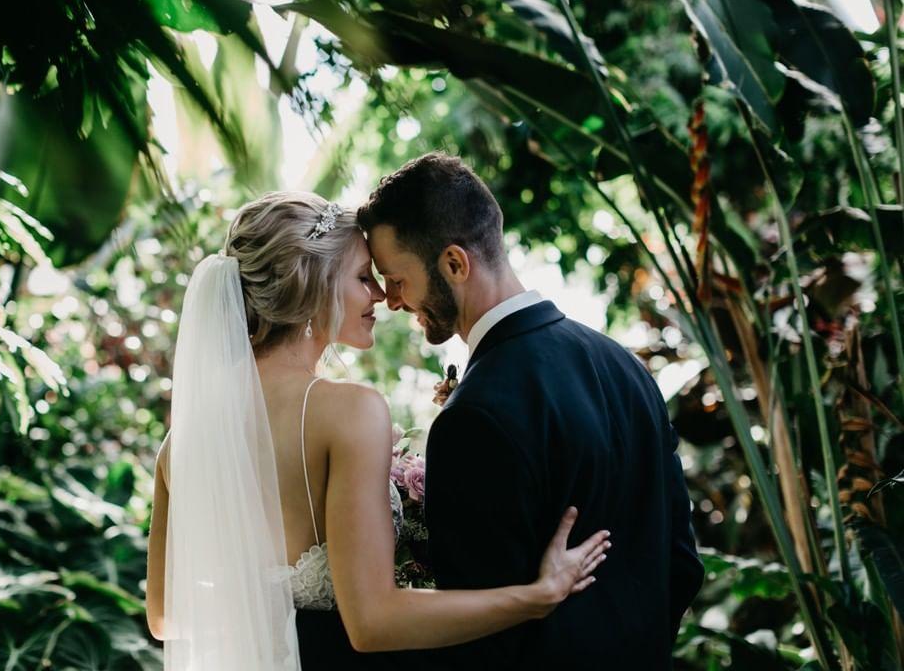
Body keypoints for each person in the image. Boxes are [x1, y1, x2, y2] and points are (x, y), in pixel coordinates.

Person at [144, 191, 611, 669]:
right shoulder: (348, 411)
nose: (381, 297)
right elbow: (372, 623)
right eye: (363, 277)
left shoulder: (179, 444)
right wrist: (535, 597)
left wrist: (263, 612)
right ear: (314, 284)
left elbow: (164, 616)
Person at [359, 152, 704, 669]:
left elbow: (477, 637)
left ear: (454, 264)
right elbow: (683, 562)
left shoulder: (472, 418)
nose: (390, 300)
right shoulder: (623, 366)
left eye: (396, 279)